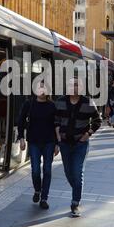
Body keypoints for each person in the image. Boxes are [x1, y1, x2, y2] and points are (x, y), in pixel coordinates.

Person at [55, 78, 102, 217]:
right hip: (64, 143)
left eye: (76, 85)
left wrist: (87, 135)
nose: (73, 87)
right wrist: (58, 138)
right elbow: (56, 120)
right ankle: (77, 188)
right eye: (70, 84)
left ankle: (75, 203)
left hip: (80, 144)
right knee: (68, 173)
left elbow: (97, 120)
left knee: (77, 172)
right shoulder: (60, 101)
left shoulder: (88, 102)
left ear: (81, 87)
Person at [17, 82, 58, 210]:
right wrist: (21, 138)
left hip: (49, 142)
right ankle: (37, 190)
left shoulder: (52, 106)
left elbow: (57, 125)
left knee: (47, 170)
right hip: (34, 142)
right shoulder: (29, 104)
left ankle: (44, 198)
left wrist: (57, 144)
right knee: (35, 170)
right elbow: (21, 121)